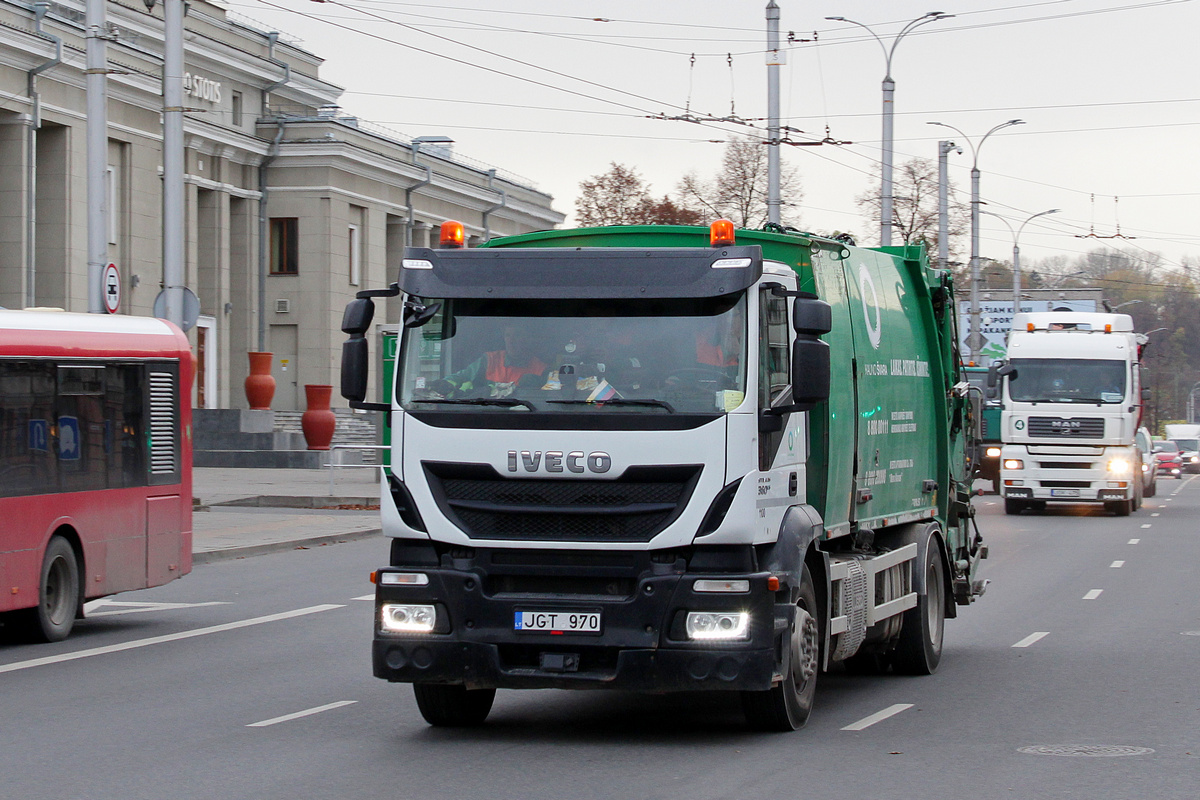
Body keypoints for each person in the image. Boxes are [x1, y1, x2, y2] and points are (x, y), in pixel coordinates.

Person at [430, 322, 548, 398]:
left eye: (517, 335)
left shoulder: (541, 369)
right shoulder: (489, 359)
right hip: (484, 414)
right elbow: (461, 377)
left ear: (528, 339)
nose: (511, 341)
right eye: (508, 335)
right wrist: (444, 384)